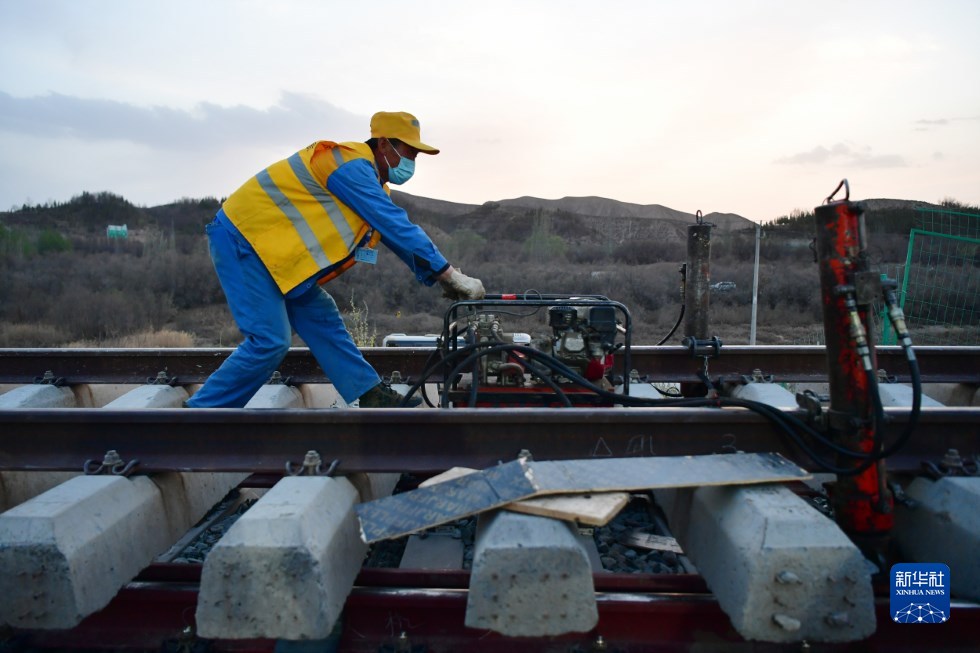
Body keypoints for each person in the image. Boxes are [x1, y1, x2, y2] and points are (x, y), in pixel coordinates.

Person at [185, 111, 485, 409]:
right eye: (409, 152)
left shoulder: (370, 180)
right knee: (270, 340)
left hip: (275, 256)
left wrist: (440, 277)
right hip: (243, 239)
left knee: (321, 315)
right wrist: (448, 274)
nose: (412, 162)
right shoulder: (350, 166)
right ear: (383, 144)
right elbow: (396, 225)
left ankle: (369, 392)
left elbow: (394, 236)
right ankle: (200, 414)